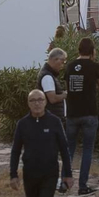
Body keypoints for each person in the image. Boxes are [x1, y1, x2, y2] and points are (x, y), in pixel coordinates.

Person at [9, 90, 72, 197]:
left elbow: (64, 149)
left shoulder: (54, 121)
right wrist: (13, 175)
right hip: (30, 173)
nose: (37, 103)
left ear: (45, 102)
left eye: (40, 100)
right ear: (28, 103)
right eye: (33, 100)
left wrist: (68, 174)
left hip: (50, 173)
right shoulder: (23, 124)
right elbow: (15, 151)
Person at [63, 38, 99, 195]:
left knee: (69, 149)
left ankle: (64, 182)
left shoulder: (70, 66)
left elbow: (68, 85)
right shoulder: (94, 66)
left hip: (73, 113)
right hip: (89, 113)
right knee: (87, 149)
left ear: (78, 50)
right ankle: (82, 185)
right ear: (93, 51)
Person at [39, 48, 69, 187]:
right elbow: (52, 98)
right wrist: (64, 94)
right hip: (51, 119)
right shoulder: (47, 77)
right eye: (62, 62)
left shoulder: (50, 76)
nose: (62, 65)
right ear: (55, 60)